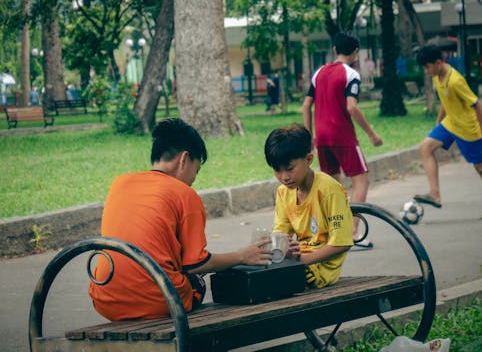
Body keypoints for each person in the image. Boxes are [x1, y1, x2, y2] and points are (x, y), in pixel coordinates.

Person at [88, 118, 272, 321]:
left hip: (105, 298)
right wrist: (240, 256)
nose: (194, 178)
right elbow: (196, 264)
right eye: (196, 169)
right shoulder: (183, 193)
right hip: (162, 300)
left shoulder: (119, 184)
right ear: (184, 159)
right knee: (196, 281)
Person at [303, 31, 383, 248]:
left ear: (335, 50)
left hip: (322, 138)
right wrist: (371, 134)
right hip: (343, 136)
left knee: (333, 185)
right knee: (361, 180)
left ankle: (334, 233)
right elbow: (352, 106)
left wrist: (309, 135)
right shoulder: (351, 75)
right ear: (355, 53)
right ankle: (354, 232)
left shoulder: (318, 73)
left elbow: (306, 105)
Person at [414, 45, 482, 219]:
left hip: (467, 128)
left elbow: (477, 104)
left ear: (438, 63)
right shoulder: (437, 75)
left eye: (427, 67)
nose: (426, 71)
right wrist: (438, 123)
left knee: (481, 167)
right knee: (425, 147)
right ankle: (435, 194)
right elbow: (446, 100)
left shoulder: (455, 81)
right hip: (450, 123)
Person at [265, 124, 354, 288]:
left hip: (319, 270)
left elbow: (342, 242)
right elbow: (280, 233)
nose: (284, 177)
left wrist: (302, 260)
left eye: (290, 169)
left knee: (267, 285)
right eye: (277, 170)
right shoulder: (284, 193)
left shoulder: (328, 189)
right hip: (297, 262)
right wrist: (281, 248)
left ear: (308, 159)